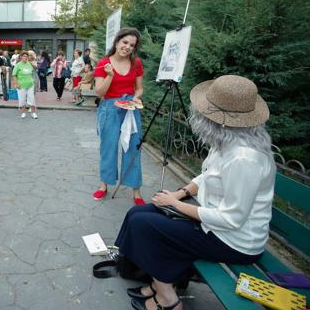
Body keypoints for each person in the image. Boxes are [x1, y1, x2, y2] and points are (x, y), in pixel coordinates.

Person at [116, 75, 275, 310]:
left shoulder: (244, 158)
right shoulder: (229, 139)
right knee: (138, 214)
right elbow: (207, 175)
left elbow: (232, 219)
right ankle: (160, 282)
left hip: (235, 241)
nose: (198, 115)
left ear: (217, 120)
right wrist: (179, 194)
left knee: (144, 225)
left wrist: (177, 205)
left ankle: (168, 297)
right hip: (214, 225)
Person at [92, 28, 145, 205]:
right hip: (109, 108)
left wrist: (136, 98)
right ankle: (104, 185)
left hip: (130, 108)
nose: (127, 47)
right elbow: (99, 92)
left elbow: (139, 88)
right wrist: (110, 76)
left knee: (133, 147)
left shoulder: (136, 63)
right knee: (108, 147)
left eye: (132, 45)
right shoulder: (104, 63)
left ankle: (136, 190)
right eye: (125, 42)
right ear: (117, 42)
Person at [12, 51, 38, 119]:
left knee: (32, 99)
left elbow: (34, 71)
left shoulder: (29, 64)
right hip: (21, 85)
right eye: (24, 56)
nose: (25, 57)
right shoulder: (18, 65)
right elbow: (14, 75)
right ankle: (23, 112)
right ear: (21, 57)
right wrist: (16, 84)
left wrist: (33, 80)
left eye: (26, 56)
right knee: (22, 99)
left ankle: (33, 113)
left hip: (30, 84)